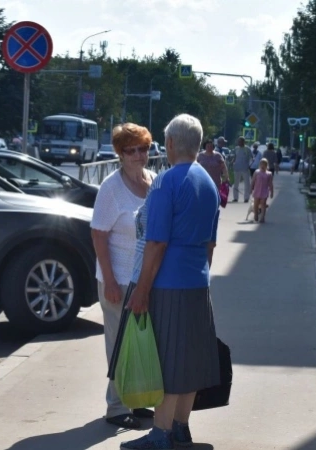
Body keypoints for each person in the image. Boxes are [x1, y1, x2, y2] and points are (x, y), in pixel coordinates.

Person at [113, 114, 221, 450]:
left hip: (167, 283)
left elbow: (156, 243)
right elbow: (210, 244)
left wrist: (142, 291)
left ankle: (159, 434)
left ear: (171, 143)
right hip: (196, 282)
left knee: (169, 360)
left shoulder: (166, 182)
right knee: (189, 358)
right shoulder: (209, 182)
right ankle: (180, 427)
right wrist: (199, 277)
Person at [91, 123, 157, 430]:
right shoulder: (111, 187)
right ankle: (116, 407)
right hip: (117, 278)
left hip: (145, 280)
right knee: (119, 344)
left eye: (143, 148)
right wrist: (111, 282)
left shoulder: (152, 181)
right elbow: (98, 235)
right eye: (131, 150)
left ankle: (136, 398)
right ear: (120, 153)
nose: (139, 155)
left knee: (140, 343)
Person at [251, 158, 274, 223]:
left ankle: (262, 217)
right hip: (257, 191)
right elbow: (253, 181)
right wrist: (251, 188)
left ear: (267, 166)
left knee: (263, 204)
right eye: (261, 164)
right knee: (256, 204)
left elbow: (270, 184)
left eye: (264, 164)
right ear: (259, 165)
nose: (263, 166)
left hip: (264, 191)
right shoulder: (256, 172)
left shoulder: (269, 174)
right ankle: (256, 215)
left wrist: (272, 192)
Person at [230, 136, 253, 202]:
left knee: (247, 184)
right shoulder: (236, 149)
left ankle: (246, 198)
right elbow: (234, 157)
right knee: (236, 184)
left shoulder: (247, 149)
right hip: (237, 168)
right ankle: (235, 198)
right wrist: (232, 162)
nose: (239, 143)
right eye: (238, 141)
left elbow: (251, 158)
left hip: (245, 169)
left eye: (240, 141)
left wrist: (249, 165)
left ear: (243, 142)